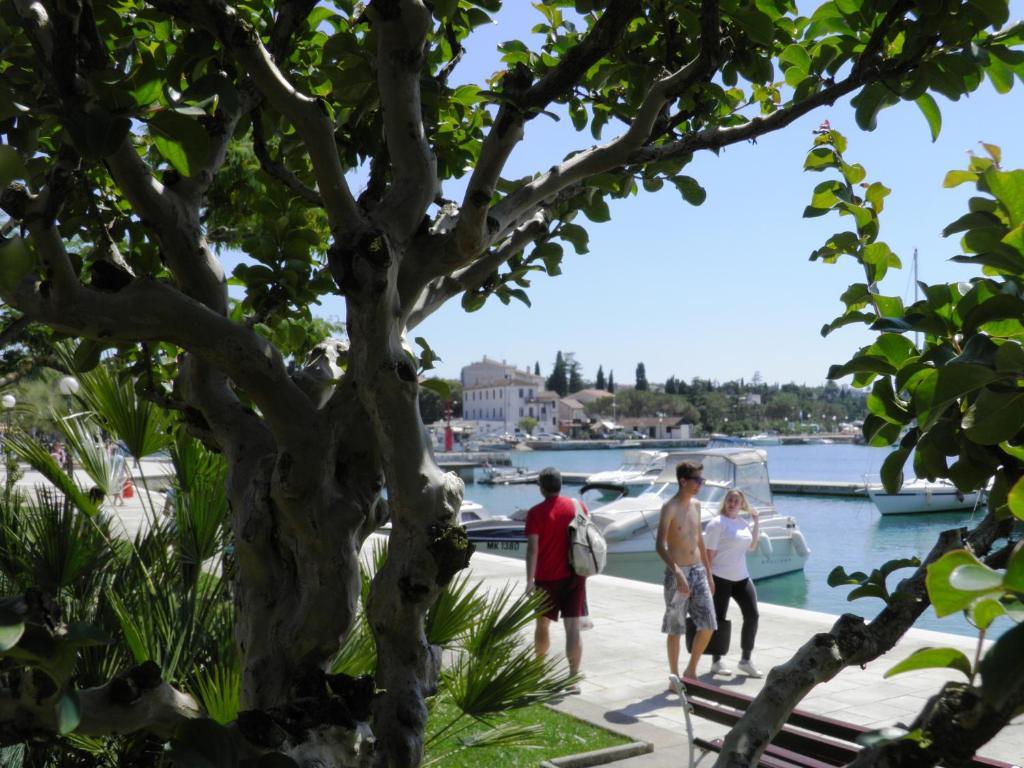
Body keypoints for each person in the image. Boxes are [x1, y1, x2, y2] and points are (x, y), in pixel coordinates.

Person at [525, 467, 587, 686]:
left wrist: (529, 580)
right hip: (575, 575)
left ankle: (539, 672)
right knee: (573, 628)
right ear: (560, 484)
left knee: (542, 625)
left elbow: (533, 549)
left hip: (546, 579)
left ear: (541, 488)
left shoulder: (535, 513)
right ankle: (572, 679)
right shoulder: (578, 507)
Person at [656, 460, 716, 680]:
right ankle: (674, 677)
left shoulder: (696, 505)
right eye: (698, 480)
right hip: (677, 573)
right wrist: (677, 572)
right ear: (683, 481)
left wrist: (709, 573)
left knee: (709, 623)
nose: (701, 484)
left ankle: (691, 670)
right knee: (676, 628)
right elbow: (659, 545)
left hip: (698, 570)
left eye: (702, 480)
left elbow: (699, 538)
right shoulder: (670, 507)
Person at [704, 489, 764, 677]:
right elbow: (708, 555)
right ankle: (717, 661)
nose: (732, 503)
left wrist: (756, 522)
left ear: (741, 505)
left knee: (752, 616)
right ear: (725, 502)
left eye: (736, 501)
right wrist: (709, 579)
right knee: (719, 620)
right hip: (720, 577)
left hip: (741, 577)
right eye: (730, 500)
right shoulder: (717, 524)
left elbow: (753, 546)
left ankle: (746, 660)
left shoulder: (742, 522)